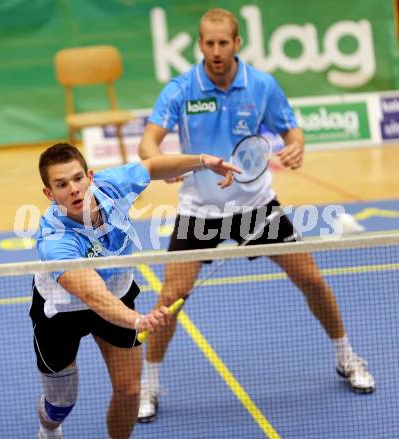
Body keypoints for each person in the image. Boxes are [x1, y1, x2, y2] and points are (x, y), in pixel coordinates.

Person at [137, 8, 375, 423]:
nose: (215, 51)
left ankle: (346, 355)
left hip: (256, 208)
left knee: (312, 280)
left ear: (237, 43)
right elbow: (148, 143)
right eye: (208, 43)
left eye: (222, 43)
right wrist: (161, 164)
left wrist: (297, 146)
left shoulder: (261, 86)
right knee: (170, 300)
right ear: (199, 45)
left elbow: (292, 129)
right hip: (201, 211)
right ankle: (150, 383)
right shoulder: (179, 89)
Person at [30, 142, 239, 439]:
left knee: (130, 391)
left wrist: (204, 161)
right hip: (63, 311)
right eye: (62, 184)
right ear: (49, 194)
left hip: (117, 292)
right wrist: (137, 321)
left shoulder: (112, 187)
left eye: (78, 178)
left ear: (90, 176)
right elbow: (91, 294)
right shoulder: (55, 238)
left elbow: (152, 167)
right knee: (61, 403)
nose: (74, 189)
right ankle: (48, 431)